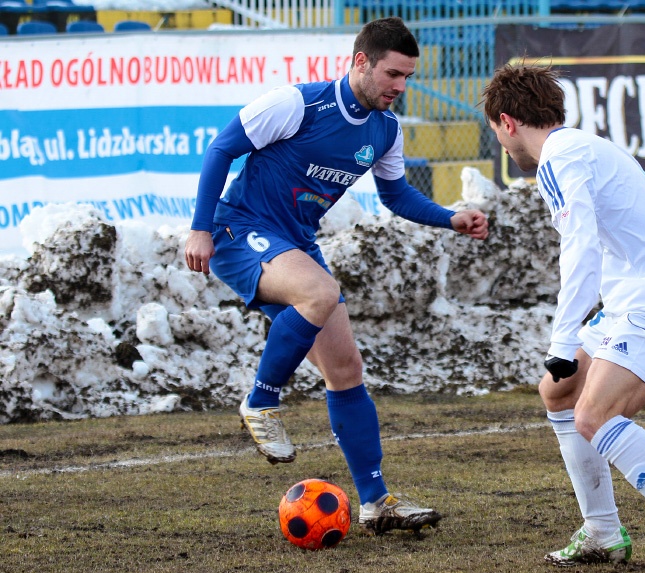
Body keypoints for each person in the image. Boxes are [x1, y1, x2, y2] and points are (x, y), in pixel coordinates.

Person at [184, 17, 489, 535]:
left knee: (346, 367)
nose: (400, 87)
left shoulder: (386, 130)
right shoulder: (297, 104)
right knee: (320, 291)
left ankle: (376, 501)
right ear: (360, 62)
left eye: (409, 77)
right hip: (241, 231)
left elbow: (395, 196)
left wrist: (450, 217)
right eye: (393, 74)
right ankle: (261, 402)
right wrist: (199, 230)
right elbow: (221, 148)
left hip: (295, 243)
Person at [481, 63, 645, 573]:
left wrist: (561, 339)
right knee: (559, 389)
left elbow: (579, 252)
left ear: (507, 122)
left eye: (496, 133)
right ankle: (601, 530)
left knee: (594, 415)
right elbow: (642, 231)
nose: (502, 144)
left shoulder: (558, 159)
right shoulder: (584, 147)